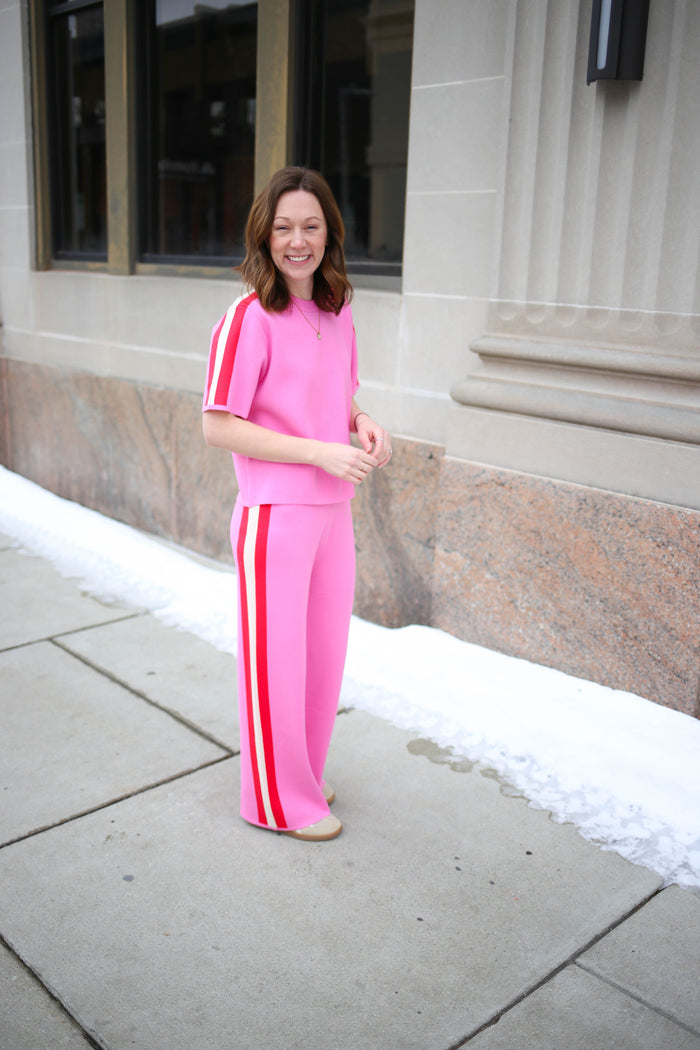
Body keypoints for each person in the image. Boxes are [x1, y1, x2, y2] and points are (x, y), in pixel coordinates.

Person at [202, 167, 392, 841]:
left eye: (310, 225)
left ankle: (301, 775)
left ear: (329, 233)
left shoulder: (337, 309)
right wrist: (318, 452)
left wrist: (362, 422)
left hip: (332, 511)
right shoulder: (247, 317)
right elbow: (217, 422)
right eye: (283, 227)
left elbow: (334, 397)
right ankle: (275, 800)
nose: (297, 240)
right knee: (274, 661)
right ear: (265, 235)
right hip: (274, 514)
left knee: (320, 656)